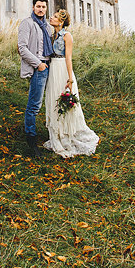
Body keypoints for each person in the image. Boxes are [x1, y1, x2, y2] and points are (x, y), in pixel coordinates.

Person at [42, 9, 99, 158]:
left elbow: (68, 58)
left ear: (61, 21)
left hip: (62, 68)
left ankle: (68, 133)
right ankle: (57, 134)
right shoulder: (51, 34)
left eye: (54, 17)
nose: (51, 18)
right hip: (53, 68)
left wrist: (70, 78)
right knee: (53, 100)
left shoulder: (67, 36)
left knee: (64, 100)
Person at [18, 0, 53, 157]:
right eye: (38, 6)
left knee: (52, 101)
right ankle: (31, 139)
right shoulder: (27, 23)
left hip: (49, 66)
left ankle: (53, 134)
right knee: (35, 104)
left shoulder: (47, 26)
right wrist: (38, 64)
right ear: (33, 7)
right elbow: (22, 48)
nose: (41, 9)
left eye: (43, 7)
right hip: (39, 67)